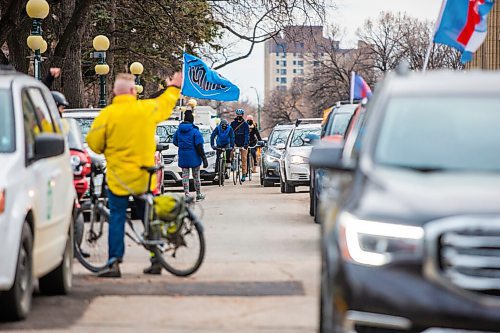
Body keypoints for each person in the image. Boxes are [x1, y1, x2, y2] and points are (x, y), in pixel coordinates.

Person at [86, 72, 182, 278]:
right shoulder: (145, 109)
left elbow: (94, 144)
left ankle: (114, 262)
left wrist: (107, 148)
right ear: (133, 91)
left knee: (117, 217)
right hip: (143, 177)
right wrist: (173, 87)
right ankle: (156, 258)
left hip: (118, 178)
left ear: (114, 92)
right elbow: (165, 104)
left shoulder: (107, 115)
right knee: (149, 216)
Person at [173, 109, 208, 201]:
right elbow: (199, 145)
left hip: (183, 155)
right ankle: (198, 194)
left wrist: (183, 146)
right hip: (194, 156)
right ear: (192, 120)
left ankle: (187, 195)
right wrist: (204, 158)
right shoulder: (195, 131)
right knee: (196, 176)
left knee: (185, 176)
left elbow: (175, 142)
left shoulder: (178, 131)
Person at [230, 108, 250, 182]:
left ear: (242, 115)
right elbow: (231, 134)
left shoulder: (245, 125)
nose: (239, 116)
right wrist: (232, 143)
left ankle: (244, 174)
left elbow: (247, 135)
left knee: (244, 158)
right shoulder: (232, 124)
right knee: (231, 151)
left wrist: (245, 144)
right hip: (235, 142)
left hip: (243, 143)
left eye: (240, 115)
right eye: (238, 115)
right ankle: (231, 163)